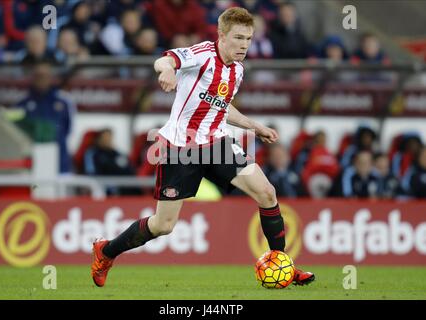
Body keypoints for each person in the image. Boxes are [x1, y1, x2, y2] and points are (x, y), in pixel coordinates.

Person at [90, 7, 315, 287]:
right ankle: (106, 251)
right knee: (163, 225)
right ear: (221, 36)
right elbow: (165, 60)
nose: (244, 45)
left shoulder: (238, 70)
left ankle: (282, 263)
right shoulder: (202, 55)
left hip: (216, 143)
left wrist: (254, 126)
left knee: (267, 192)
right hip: (180, 148)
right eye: (238, 38)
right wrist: (169, 72)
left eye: (248, 39)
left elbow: (221, 107)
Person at [15, 60, 74, 173]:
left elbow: (68, 129)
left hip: (60, 163)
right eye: (38, 75)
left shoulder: (64, 102)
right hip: (32, 165)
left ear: (51, 77)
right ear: (32, 77)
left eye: (45, 75)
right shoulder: (22, 104)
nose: (41, 79)